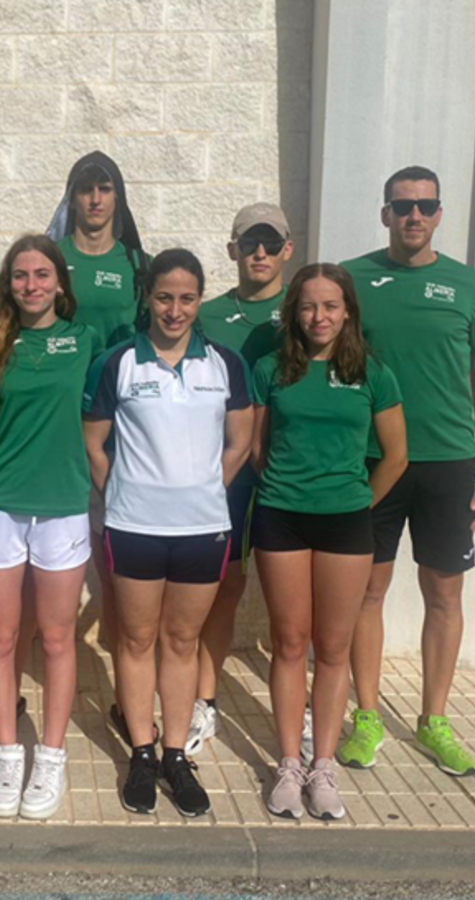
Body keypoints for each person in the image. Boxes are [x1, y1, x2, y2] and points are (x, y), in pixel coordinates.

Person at [339, 166, 475, 776]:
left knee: (443, 594)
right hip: (373, 461)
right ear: (385, 213)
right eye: (402, 205)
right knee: (366, 593)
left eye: (425, 206)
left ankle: (434, 719)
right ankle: (369, 716)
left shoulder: (468, 285)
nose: (413, 215)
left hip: (449, 463)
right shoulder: (353, 279)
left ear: (439, 214)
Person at [84, 249, 253, 817]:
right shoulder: (118, 363)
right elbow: (94, 443)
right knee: (134, 642)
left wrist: (201, 489)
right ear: (146, 298)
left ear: (199, 299)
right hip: (133, 526)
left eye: (185, 298)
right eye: (163, 297)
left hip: (203, 528)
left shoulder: (225, 364)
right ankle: (140, 752)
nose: (174, 310)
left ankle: (175, 755)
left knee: (182, 644)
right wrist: (127, 493)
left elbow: (240, 442)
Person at [0, 234, 103, 820]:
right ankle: (9, 753)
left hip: (62, 504)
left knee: (59, 639)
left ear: (60, 282)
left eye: (42, 275)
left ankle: (53, 756)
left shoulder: (86, 342)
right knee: (2, 636)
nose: (31, 285)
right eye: (20, 275)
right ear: (7, 283)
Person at [251, 264, 407, 820]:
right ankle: (289, 765)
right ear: (294, 312)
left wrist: (358, 501)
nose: (319, 317)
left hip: (346, 523)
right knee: (290, 643)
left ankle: (323, 768)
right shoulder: (271, 370)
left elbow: (396, 456)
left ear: (348, 312)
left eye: (331, 307)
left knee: (333, 649)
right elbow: (256, 446)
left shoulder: (372, 373)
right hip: (281, 519)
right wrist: (287, 487)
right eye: (309, 307)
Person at [46, 150, 148, 746]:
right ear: (72, 196)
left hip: (118, 434)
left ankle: (121, 691)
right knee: (52, 565)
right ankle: (45, 673)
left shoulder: (136, 263)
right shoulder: (51, 261)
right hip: (57, 429)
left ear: (117, 197)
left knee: (114, 569)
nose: (94, 199)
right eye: (84, 188)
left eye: (104, 188)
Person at [189, 203, 297, 760]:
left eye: (269, 243)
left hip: (293, 478)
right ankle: (205, 701)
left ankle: (297, 712)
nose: (259, 253)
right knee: (223, 589)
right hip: (226, 475)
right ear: (232, 250)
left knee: (294, 603)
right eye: (248, 243)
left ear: (287, 250)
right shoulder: (205, 316)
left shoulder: (308, 310)